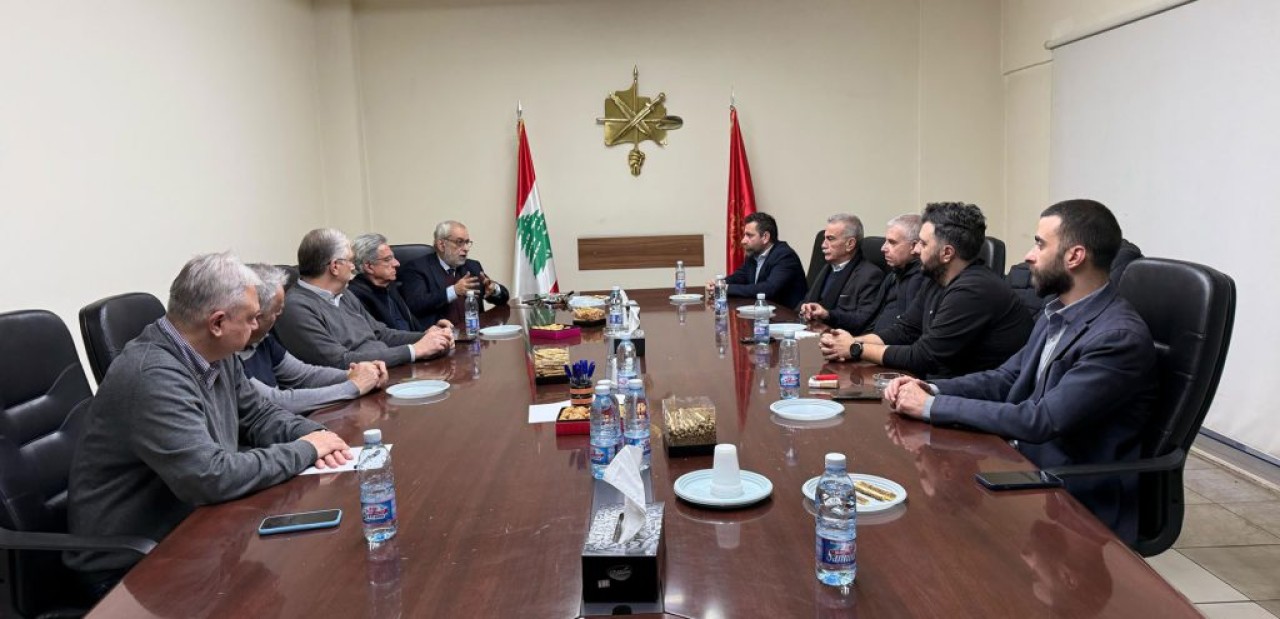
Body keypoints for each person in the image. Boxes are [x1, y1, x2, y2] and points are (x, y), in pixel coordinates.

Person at [66, 252, 353, 586]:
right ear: (217, 323)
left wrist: (318, 435)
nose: (257, 326)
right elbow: (210, 476)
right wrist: (306, 449)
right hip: (131, 563)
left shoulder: (216, 353)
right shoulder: (152, 376)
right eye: (251, 318)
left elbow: (257, 414)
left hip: (195, 526)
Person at [883, 199, 1156, 543]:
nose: (1028, 256)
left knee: (939, 528)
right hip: (1024, 461)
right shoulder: (1056, 312)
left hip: (1072, 492)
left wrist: (930, 407)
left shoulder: (1116, 337)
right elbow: (1007, 377)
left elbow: (1040, 419)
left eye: (1040, 244)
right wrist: (932, 389)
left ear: (1074, 256)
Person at [819, 202, 1032, 378]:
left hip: (975, 396)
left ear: (946, 253)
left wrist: (856, 349)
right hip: (943, 384)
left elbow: (924, 356)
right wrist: (848, 342)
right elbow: (905, 330)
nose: (916, 249)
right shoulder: (936, 277)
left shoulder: (973, 290)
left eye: (923, 243)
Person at [274, 228, 452, 369]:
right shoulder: (296, 307)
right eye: (350, 261)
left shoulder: (344, 294)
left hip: (387, 370)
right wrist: (414, 351)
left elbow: (381, 333)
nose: (354, 267)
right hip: (353, 389)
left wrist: (429, 337)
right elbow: (340, 361)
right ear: (335, 266)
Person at [241, 263, 387, 414]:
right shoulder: (231, 356)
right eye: (277, 311)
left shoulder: (263, 340)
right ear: (257, 316)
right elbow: (274, 402)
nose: (280, 316)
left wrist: (356, 374)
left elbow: (303, 375)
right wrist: (354, 386)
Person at [398, 220, 510, 327]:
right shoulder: (417, 268)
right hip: (441, 335)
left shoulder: (472, 266)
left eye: (467, 242)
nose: (466, 248)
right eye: (459, 242)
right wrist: (454, 291)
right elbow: (416, 304)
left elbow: (503, 298)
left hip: (474, 332)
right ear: (441, 245)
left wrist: (494, 290)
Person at [797, 213, 884, 333]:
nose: (823, 245)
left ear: (850, 244)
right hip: (810, 332)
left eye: (830, 239)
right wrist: (805, 309)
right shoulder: (826, 267)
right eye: (824, 238)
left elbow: (862, 320)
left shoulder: (870, 275)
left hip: (840, 338)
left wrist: (827, 315)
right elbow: (807, 300)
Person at [704, 211, 807, 309]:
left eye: (749, 235)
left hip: (787, 317)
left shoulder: (785, 256)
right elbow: (740, 276)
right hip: (763, 313)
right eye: (744, 235)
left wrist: (725, 288)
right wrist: (719, 283)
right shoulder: (753, 254)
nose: (743, 241)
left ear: (765, 237)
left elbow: (768, 289)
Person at [347, 233, 422, 332]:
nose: (397, 263)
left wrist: (429, 333)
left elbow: (409, 323)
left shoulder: (388, 285)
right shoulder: (355, 297)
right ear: (369, 266)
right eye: (387, 259)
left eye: (393, 258)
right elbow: (380, 337)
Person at [866, 214, 927, 333]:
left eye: (892, 242)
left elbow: (908, 332)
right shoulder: (893, 275)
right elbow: (870, 317)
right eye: (885, 241)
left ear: (914, 246)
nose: (883, 248)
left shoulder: (919, 280)